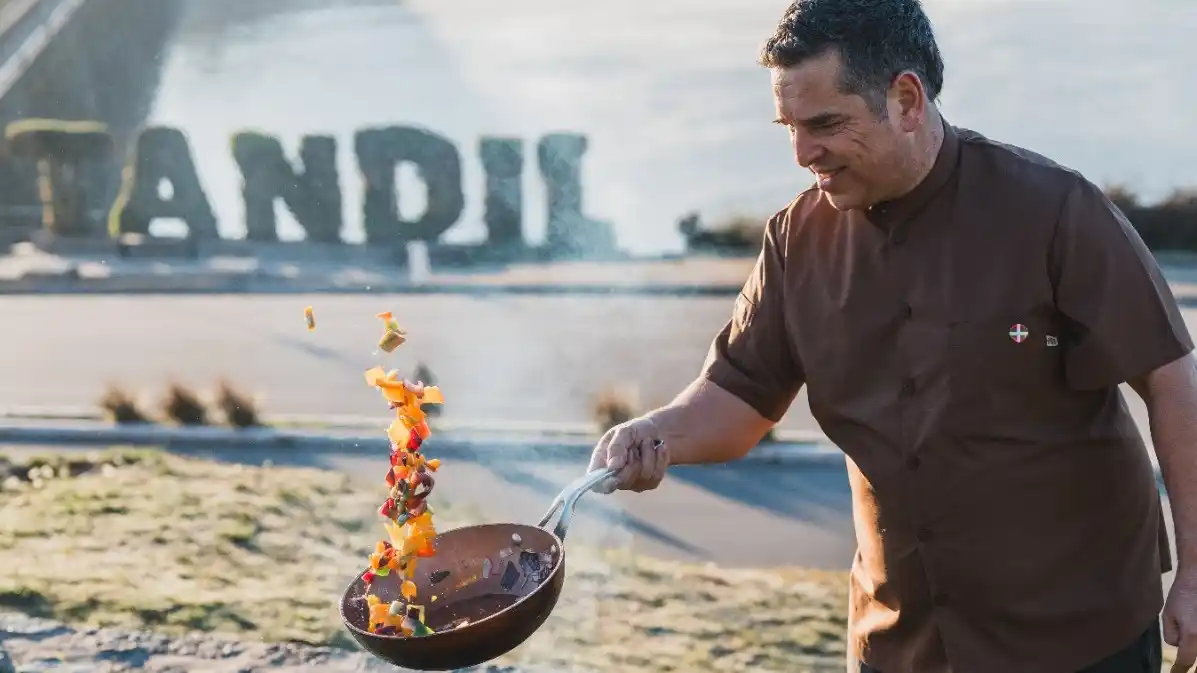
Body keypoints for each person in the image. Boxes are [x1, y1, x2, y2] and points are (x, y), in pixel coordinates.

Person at [586, 1, 1197, 672]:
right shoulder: (795, 239)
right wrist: (653, 434)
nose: (800, 154)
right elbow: (737, 401)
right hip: (898, 643)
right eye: (787, 127)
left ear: (906, 99)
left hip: (1076, 636)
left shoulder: (1055, 210)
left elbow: (1171, 383)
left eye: (824, 124)